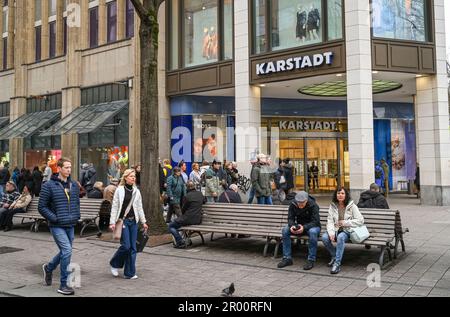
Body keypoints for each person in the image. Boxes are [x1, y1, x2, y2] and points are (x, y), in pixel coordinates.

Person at [39, 158, 81, 295]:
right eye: (66, 167)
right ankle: (63, 285)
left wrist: (76, 215)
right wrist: (54, 218)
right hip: (57, 225)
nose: (69, 170)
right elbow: (42, 207)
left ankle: (49, 268)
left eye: (70, 167)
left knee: (65, 252)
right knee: (67, 251)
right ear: (59, 168)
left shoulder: (74, 184)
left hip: (70, 223)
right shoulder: (48, 185)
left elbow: (76, 203)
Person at [109, 169, 148, 279]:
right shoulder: (119, 190)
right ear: (125, 177)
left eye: (134, 176)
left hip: (134, 221)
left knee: (133, 248)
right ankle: (114, 263)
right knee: (126, 246)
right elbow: (115, 207)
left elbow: (139, 207)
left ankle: (129, 273)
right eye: (131, 176)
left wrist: (144, 222)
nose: (133, 178)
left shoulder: (136, 191)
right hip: (123, 221)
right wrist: (112, 222)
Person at [322, 187, 364, 274]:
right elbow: (329, 221)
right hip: (335, 229)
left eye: (342, 193)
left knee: (341, 237)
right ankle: (334, 256)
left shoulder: (352, 206)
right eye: (338, 193)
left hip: (347, 230)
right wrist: (331, 233)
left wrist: (345, 222)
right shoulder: (333, 206)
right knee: (325, 237)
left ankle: (337, 264)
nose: (340, 195)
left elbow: (360, 220)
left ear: (346, 195)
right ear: (335, 195)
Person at [277, 191, 321, 270]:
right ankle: (287, 258)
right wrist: (292, 226)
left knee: (313, 232)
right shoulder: (293, 204)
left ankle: (311, 260)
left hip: (312, 226)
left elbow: (315, 221)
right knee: (285, 230)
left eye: (302, 203)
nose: (300, 205)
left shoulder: (314, 205)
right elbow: (290, 218)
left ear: (306, 200)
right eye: (298, 203)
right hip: (299, 226)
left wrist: (304, 227)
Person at [168, 181, 204, 248]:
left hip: (188, 219)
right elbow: (204, 200)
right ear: (194, 186)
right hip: (198, 219)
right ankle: (184, 239)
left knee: (171, 226)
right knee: (179, 222)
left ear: (187, 188)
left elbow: (183, 210)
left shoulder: (187, 196)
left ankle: (180, 241)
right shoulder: (200, 194)